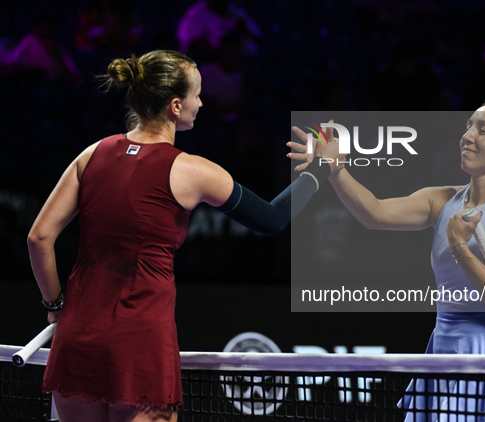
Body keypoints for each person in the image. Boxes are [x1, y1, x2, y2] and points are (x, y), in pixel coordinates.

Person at [27, 50, 329, 422]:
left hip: (77, 336)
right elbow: (272, 219)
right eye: (197, 95)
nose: (201, 103)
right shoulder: (194, 171)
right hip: (139, 339)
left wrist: (54, 307)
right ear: (174, 105)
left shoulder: (92, 154)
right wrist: (320, 171)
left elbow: (38, 238)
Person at [290, 102, 485, 420]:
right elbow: (375, 213)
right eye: (468, 126)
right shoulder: (440, 200)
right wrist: (335, 169)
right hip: (441, 348)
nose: (467, 136)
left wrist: (459, 247)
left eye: (483, 129)